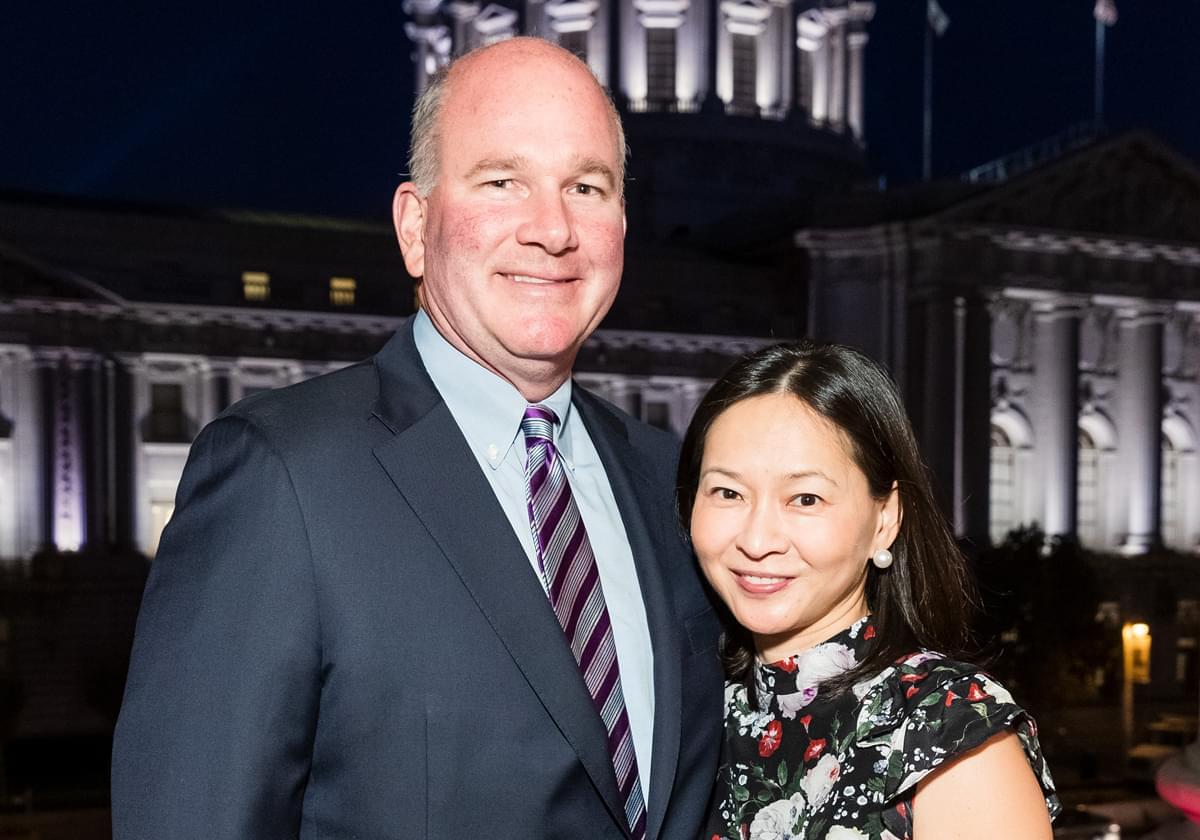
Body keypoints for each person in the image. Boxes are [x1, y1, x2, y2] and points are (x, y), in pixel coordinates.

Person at [111, 37, 723, 840]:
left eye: (586, 186)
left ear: (621, 224)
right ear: (414, 225)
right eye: (501, 181)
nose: (553, 229)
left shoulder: (671, 479)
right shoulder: (282, 476)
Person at [676, 341, 1060, 840]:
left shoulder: (946, 726)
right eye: (728, 492)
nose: (756, 539)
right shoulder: (688, 708)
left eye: (806, 498)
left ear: (885, 519)